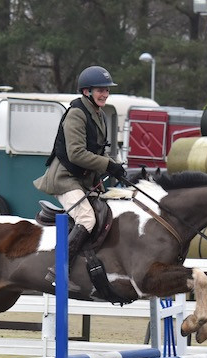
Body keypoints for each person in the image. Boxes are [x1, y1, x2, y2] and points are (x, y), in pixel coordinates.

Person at [34, 65, 126, 288]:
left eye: (106, 90)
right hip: (64, 179)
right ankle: (58, 269)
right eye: (100, 90)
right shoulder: (76, 113)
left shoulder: (100, 114)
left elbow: (98, 151)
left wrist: (114, 168)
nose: (104, 94)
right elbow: (76, 153)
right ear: (86, 91)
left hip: (83, 180)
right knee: (87, 218)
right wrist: (108, 165)